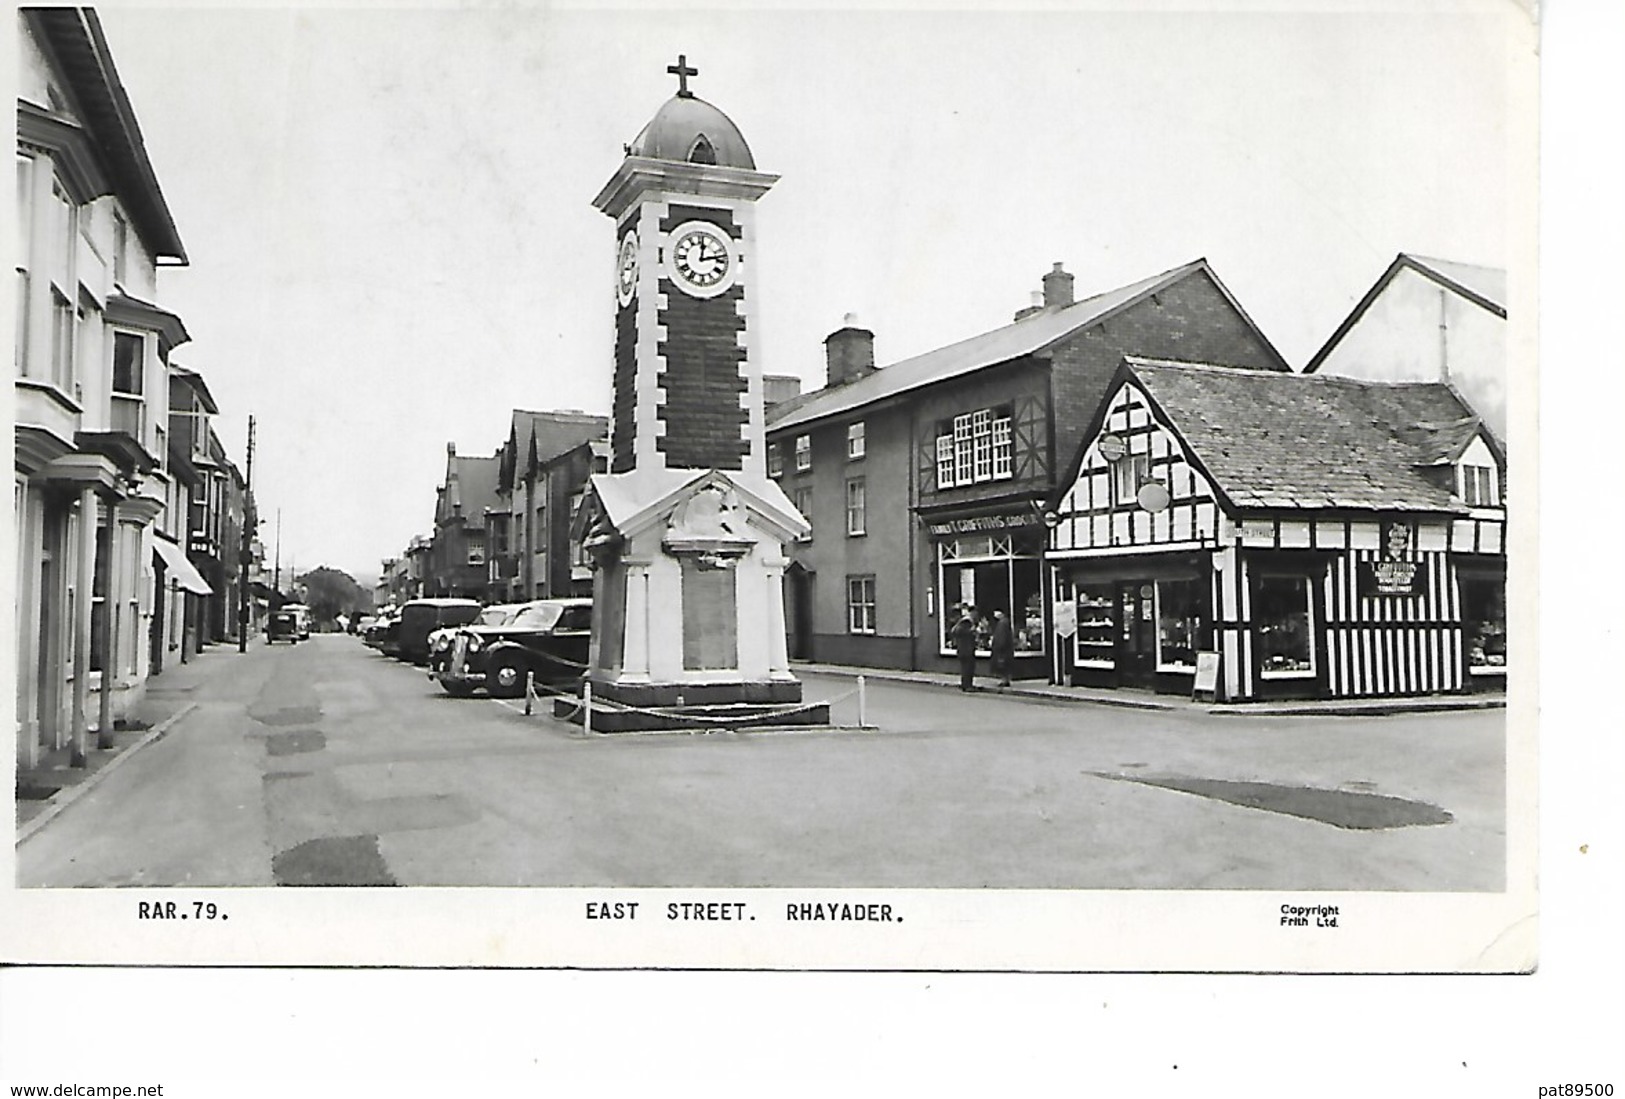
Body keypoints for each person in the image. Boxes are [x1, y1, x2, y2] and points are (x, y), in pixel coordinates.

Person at [951, 603, 979, 692]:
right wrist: (971, 631)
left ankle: (965, 684)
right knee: (968, 668)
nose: (976, 615)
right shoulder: (966, 622)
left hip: (963, 649)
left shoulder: (965, 621)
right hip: (966, 649)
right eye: (975, 613)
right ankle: (968, 686)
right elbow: (959, 632)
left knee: (966, 668)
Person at [990, 608, 1015, 688]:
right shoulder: (1005, 622)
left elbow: (1001, 637)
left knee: (1002, 664)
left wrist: (999, 646)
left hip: (1002, 649)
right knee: (1005, 664)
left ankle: (1004, 680)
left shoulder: (1002, 624)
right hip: (1005, 648)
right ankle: (1006, 679)